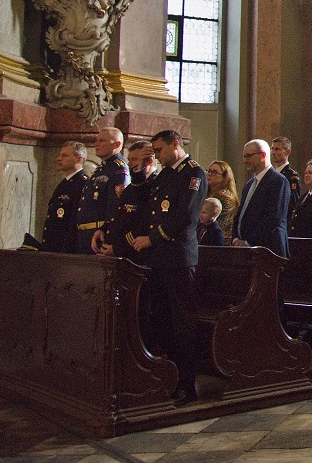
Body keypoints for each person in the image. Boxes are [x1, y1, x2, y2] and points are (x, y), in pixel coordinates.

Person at [133, 129, 208, 405]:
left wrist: (152, 238)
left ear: (175, 144)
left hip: (178, 257)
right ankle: (169, 378)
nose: (158, 155)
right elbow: (145, 201)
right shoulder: (165, 174)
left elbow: (186, 216)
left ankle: (188, 384)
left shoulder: (193, 173)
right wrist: (140, 168)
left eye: (160, 150)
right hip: (159, 259)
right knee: (162, 319)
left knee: (182, 322)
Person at [95, 140, 157, 258]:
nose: (129, 164)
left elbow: (144, 224)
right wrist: (102, 230)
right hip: (114, 250)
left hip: (133, 254)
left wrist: (118, 248)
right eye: (129, 160)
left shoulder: (154, 185)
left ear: (149, 161)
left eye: (134, 160)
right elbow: (118, 214)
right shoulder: (130, 187)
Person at [232, 139, 291, 257]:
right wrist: (235, 238)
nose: (245, 161)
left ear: (263, 155)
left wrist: (248, 242)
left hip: (268, 251)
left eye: (248, 156)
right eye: (244, 156)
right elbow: (240, 214)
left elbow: (273, 218)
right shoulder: (249, 184)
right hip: (247, 251)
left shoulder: (278, 181)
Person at [77, 130, 129, 253]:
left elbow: (117, 206)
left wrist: (106, 231)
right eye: (97, 140)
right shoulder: (101, 169)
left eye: (102, 140)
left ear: (116, 144)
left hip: (100, 234)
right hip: (85, 235)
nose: (96, 144)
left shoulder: (119, 169)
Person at [41, 142, 88, 254]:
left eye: (64, 155)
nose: (59, 159)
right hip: (54, 245)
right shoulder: (64, 183)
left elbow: (75, 220)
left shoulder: (83, 184)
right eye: (60, 155)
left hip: (67, 248)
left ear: (78, 159)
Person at [206, 160, 239, 240]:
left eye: (214, 172)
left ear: (225, 177)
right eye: (209, 171)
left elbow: (216, 223)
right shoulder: (208, 193)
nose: (209, 174)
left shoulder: (224, 196)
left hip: (221, 240)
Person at [271, 136, 303, 220]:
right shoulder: (271, 174)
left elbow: (293, 203)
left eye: (277, 149)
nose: (273, 152)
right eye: (272, 149)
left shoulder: (292, 176)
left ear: (287, 152)